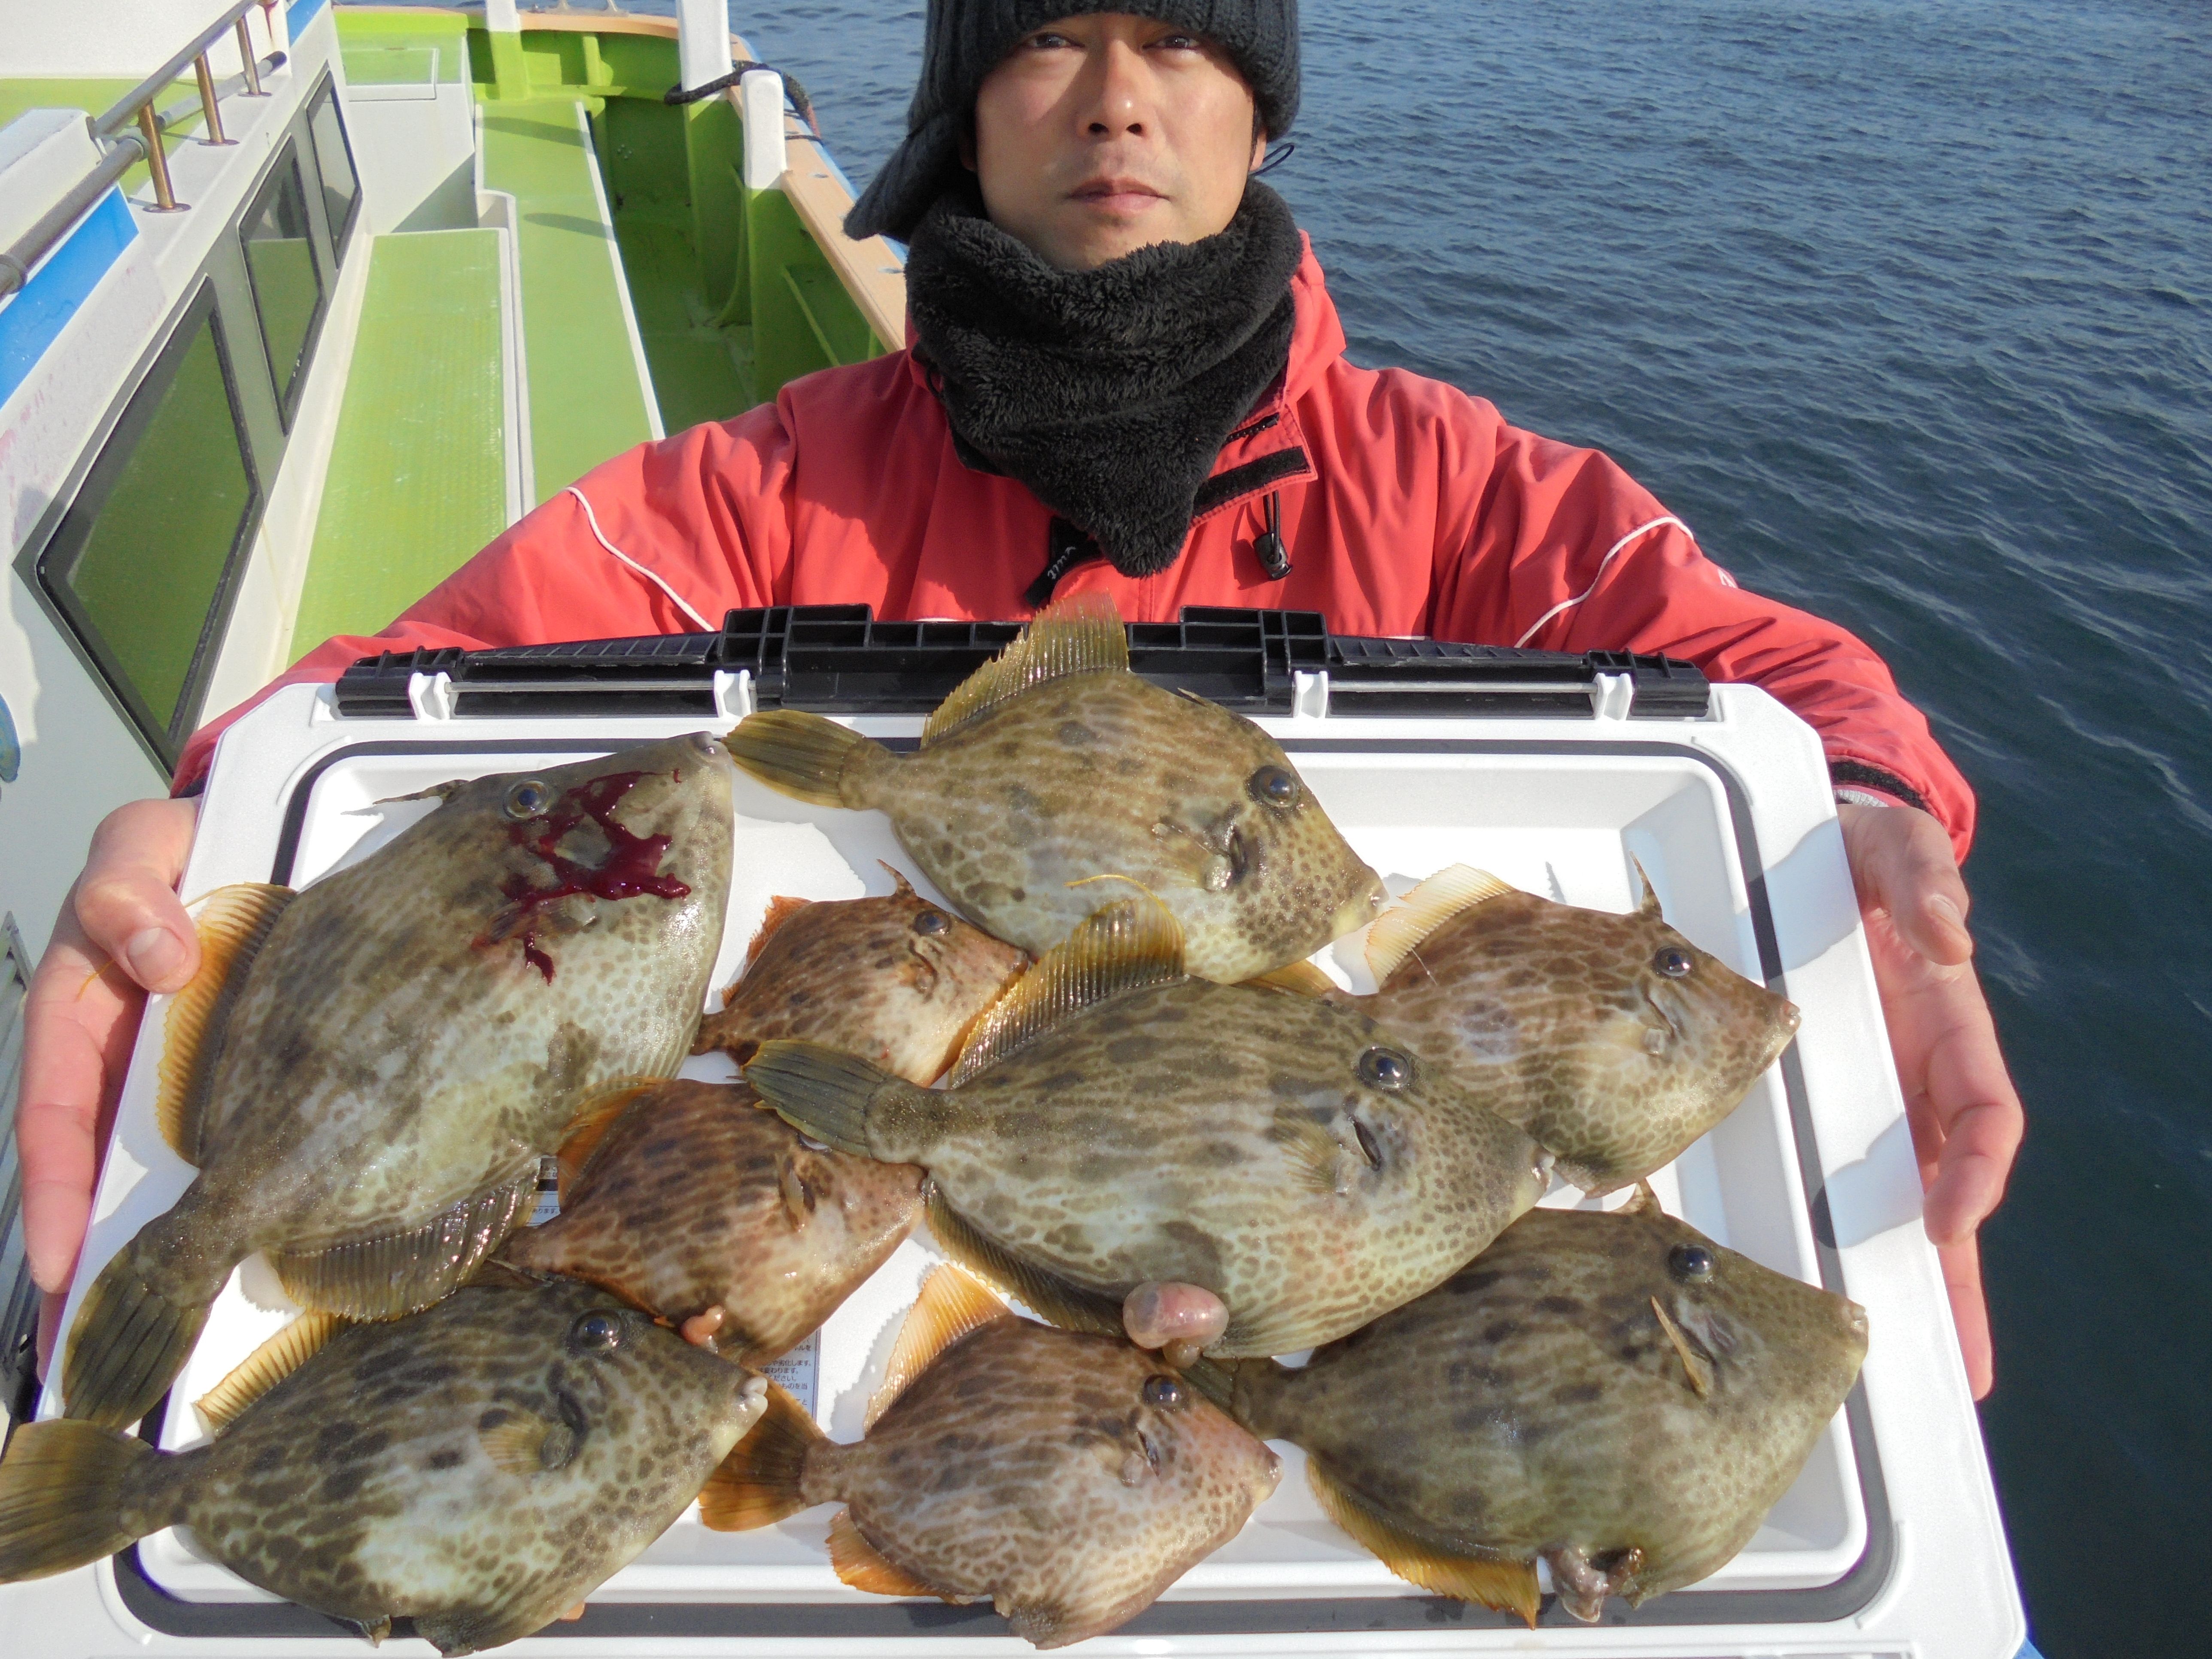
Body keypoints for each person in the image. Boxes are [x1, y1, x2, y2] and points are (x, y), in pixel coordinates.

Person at [18, 1, 2021, 1394]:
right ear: (966, 115)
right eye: (1050, 37)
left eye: (1185, 45)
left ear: (1258, 119)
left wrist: (1862, 816)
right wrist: (219, 802)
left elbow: (1781, 683)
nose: (1118, 102)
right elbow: (409, 692)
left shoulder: (1450, 481)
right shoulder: (780, 482)